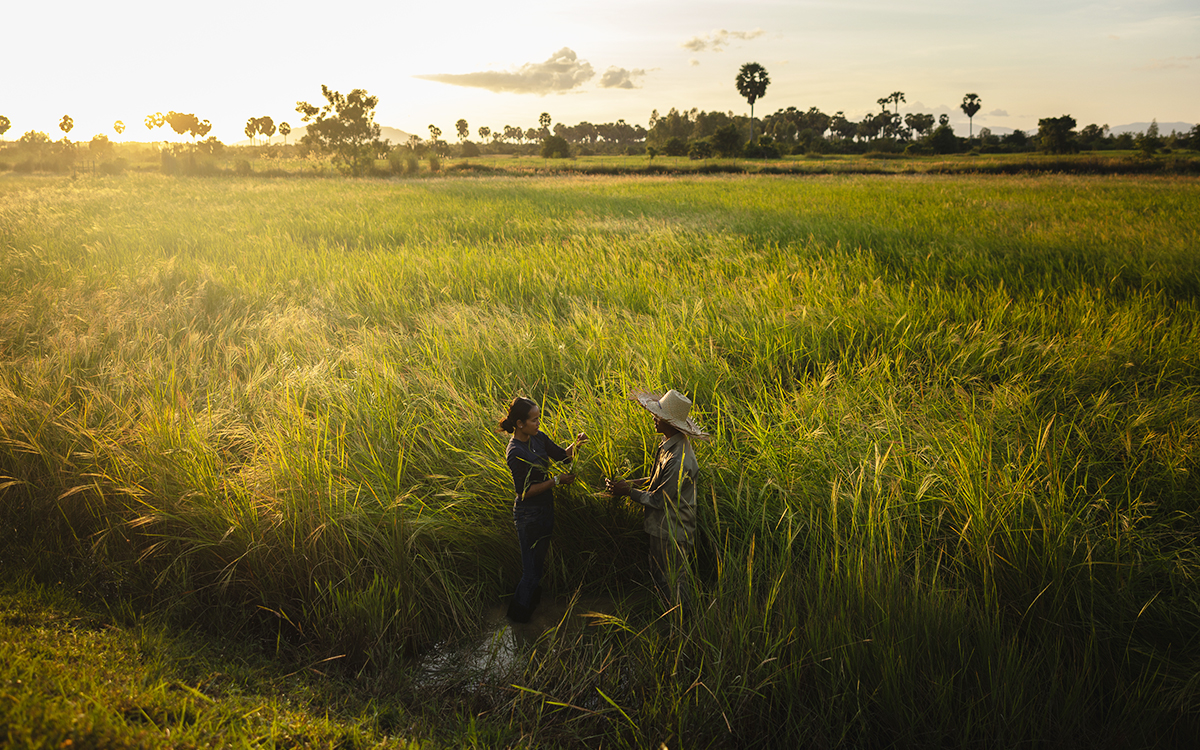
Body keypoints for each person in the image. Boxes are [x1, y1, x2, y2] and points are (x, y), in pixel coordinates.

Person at [606, 389, 708, 614]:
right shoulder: (668, 444)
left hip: (673, 530)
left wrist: (627, 491)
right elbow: (655, 481)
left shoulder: (679, 458)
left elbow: (661, 499)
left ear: (671, 423)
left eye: (658, 414)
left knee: (674, 580)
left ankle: (683, 625)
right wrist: (628, 483)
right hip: (662, 528)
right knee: (661, 575)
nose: (653, 417)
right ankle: (671, 621)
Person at [499, 396, 587, 624]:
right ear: (520, 423)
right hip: (528, 516)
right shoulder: (515, 451)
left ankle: (528, 618)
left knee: (537, 570)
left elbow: (561, 456)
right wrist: (556, 481)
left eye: (539, 418)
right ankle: (517, 621)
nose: (539, 423)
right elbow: (524, 492)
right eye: (534, 419)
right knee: (530, 573)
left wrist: (576, 445)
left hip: (545, 510)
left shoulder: (538, 438)